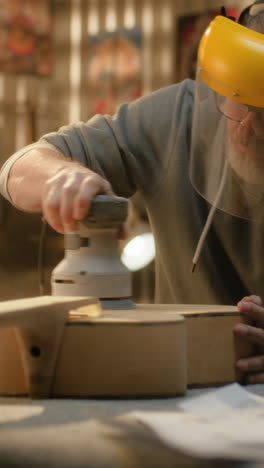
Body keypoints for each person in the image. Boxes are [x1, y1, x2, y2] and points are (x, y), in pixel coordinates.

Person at [1, 1, 264, 384]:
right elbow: (19, 166)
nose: (247, 129)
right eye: (238, 100)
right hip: (182, 388)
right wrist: (62, 177)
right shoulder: (173, 118)